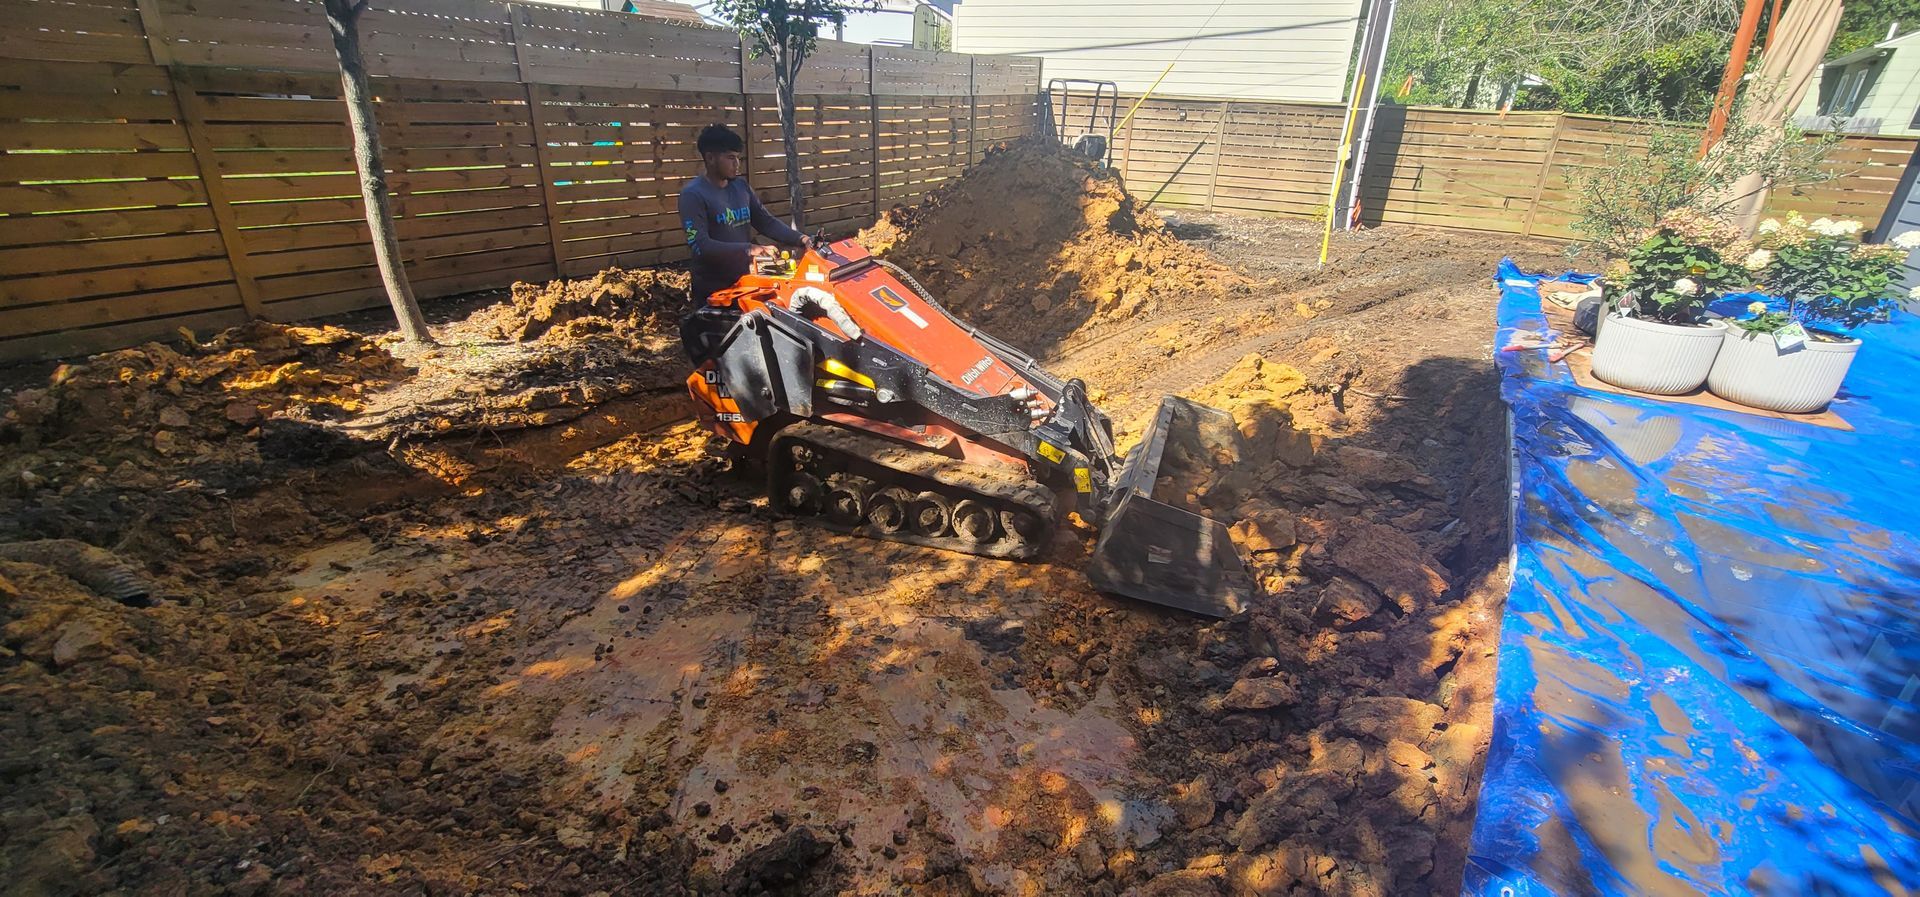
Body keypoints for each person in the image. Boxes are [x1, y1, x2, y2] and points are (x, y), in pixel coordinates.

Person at [678, 123, 810, 305]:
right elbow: (700, 245)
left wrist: (801, 239)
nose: (737, 164)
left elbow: (765, 222)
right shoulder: (693, 195)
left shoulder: (740, 187)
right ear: (710, 158)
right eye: (730, 158)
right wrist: (750, 249)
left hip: (746, 281)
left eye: (738, 158)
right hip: (715, 290)